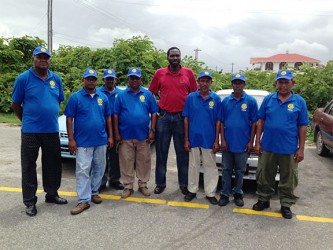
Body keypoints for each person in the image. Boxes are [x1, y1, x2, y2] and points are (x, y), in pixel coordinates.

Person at [11, 46, 67, 217]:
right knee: (29, 166)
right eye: (39, 57)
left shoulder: (56, 79)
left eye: (46, 57)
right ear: (33, 59)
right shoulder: (23, 78)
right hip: (30, 132)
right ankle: (29, 201)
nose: (43, 60)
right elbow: (15, 104)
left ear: (50, 60)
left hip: (51, 130)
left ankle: (51, 194)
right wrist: (27, 121)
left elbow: (58, 101)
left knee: (52, 164)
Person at [252, 69, 309, 219]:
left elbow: (303, 126)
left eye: (286, 82)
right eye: (280, 82)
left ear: (292, 83)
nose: (283, 85)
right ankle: (263, 200)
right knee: (264, 175)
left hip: (289, 148)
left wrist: (301, 149)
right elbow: (260, 121)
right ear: (276, 83)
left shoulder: (299, 102)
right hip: (268, 146)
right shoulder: (269, 100)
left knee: (288, 178)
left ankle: (286, 205)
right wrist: (257, 142)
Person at [148, 47, 197, 195]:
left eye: (177, 55)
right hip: (164, 117)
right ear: (167, 57)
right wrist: (158, 106)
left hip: (181, 118)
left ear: (180, 57)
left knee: (182, 154)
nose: (175, 58)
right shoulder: (160, 73)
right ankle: (160, 184)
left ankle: (183, 184)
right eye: (172, 55)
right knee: (161, 153)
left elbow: (194, 95)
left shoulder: (188, 73)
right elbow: (152, 92)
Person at [64, 68, 113, 215]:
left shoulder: (102, 97)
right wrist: (71, 139)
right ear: (83, 80)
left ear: (97, 81)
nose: (91, 81)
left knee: (99, 168)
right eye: (88, 78)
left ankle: (94, 191)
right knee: (83, 170)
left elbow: (108, 117)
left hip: (101, 140)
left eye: (93, 79)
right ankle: (83, 200)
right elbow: (69, 118)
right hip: (83, 142)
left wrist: (110, 136)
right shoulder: (75, 97)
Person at [113, 67, 158, 198]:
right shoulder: (121, 95)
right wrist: (116, 133)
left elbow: (154, 112)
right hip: (125, 135)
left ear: (141, 79)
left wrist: (152, 130)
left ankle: (143, 185)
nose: (134, 80)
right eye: (132, 77)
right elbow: (115, 115)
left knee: (143, 161)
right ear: (128, 79)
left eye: (136, 78)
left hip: (143, 135)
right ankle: (128, 186)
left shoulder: (148, 94)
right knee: (126, 161)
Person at [218, 73, 258, 207]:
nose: (237, 85)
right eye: (235, 83)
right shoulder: (226, 102)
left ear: (244, 85)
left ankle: (238, 194)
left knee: (240, 171)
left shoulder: (251, 101)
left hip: (243, 144)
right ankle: (224, 194)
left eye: (240, 83)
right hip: (227, 143)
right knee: (226, 170)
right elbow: (221, 122)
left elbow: (254, 123)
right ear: (232, 85)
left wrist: (251, 142)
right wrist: (222, 140)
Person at [182, 70, 220, 205]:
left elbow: (218, 121)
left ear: (211, 83)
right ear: (198, 82)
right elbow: (186, 118)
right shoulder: (191, 97)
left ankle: (210, 192)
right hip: (193, 137)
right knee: (193, 165)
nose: (204, 83)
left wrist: (217, 140)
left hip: (209, 138)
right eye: (202, 80)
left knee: (210, 166)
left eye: (207, 81)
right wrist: (186, 138)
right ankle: (192, 190)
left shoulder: (216, 99)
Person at [97, 69, 124, 191]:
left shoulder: (121, 93)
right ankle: (102, 181)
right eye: (107, 79)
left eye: (112, 79)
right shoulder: (98, 93)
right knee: (102, 157)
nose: (110, 81)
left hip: (117, 127)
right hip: (102, 127)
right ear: (103, 80)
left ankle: (114, 180)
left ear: (115, 80)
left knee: (115, 156)